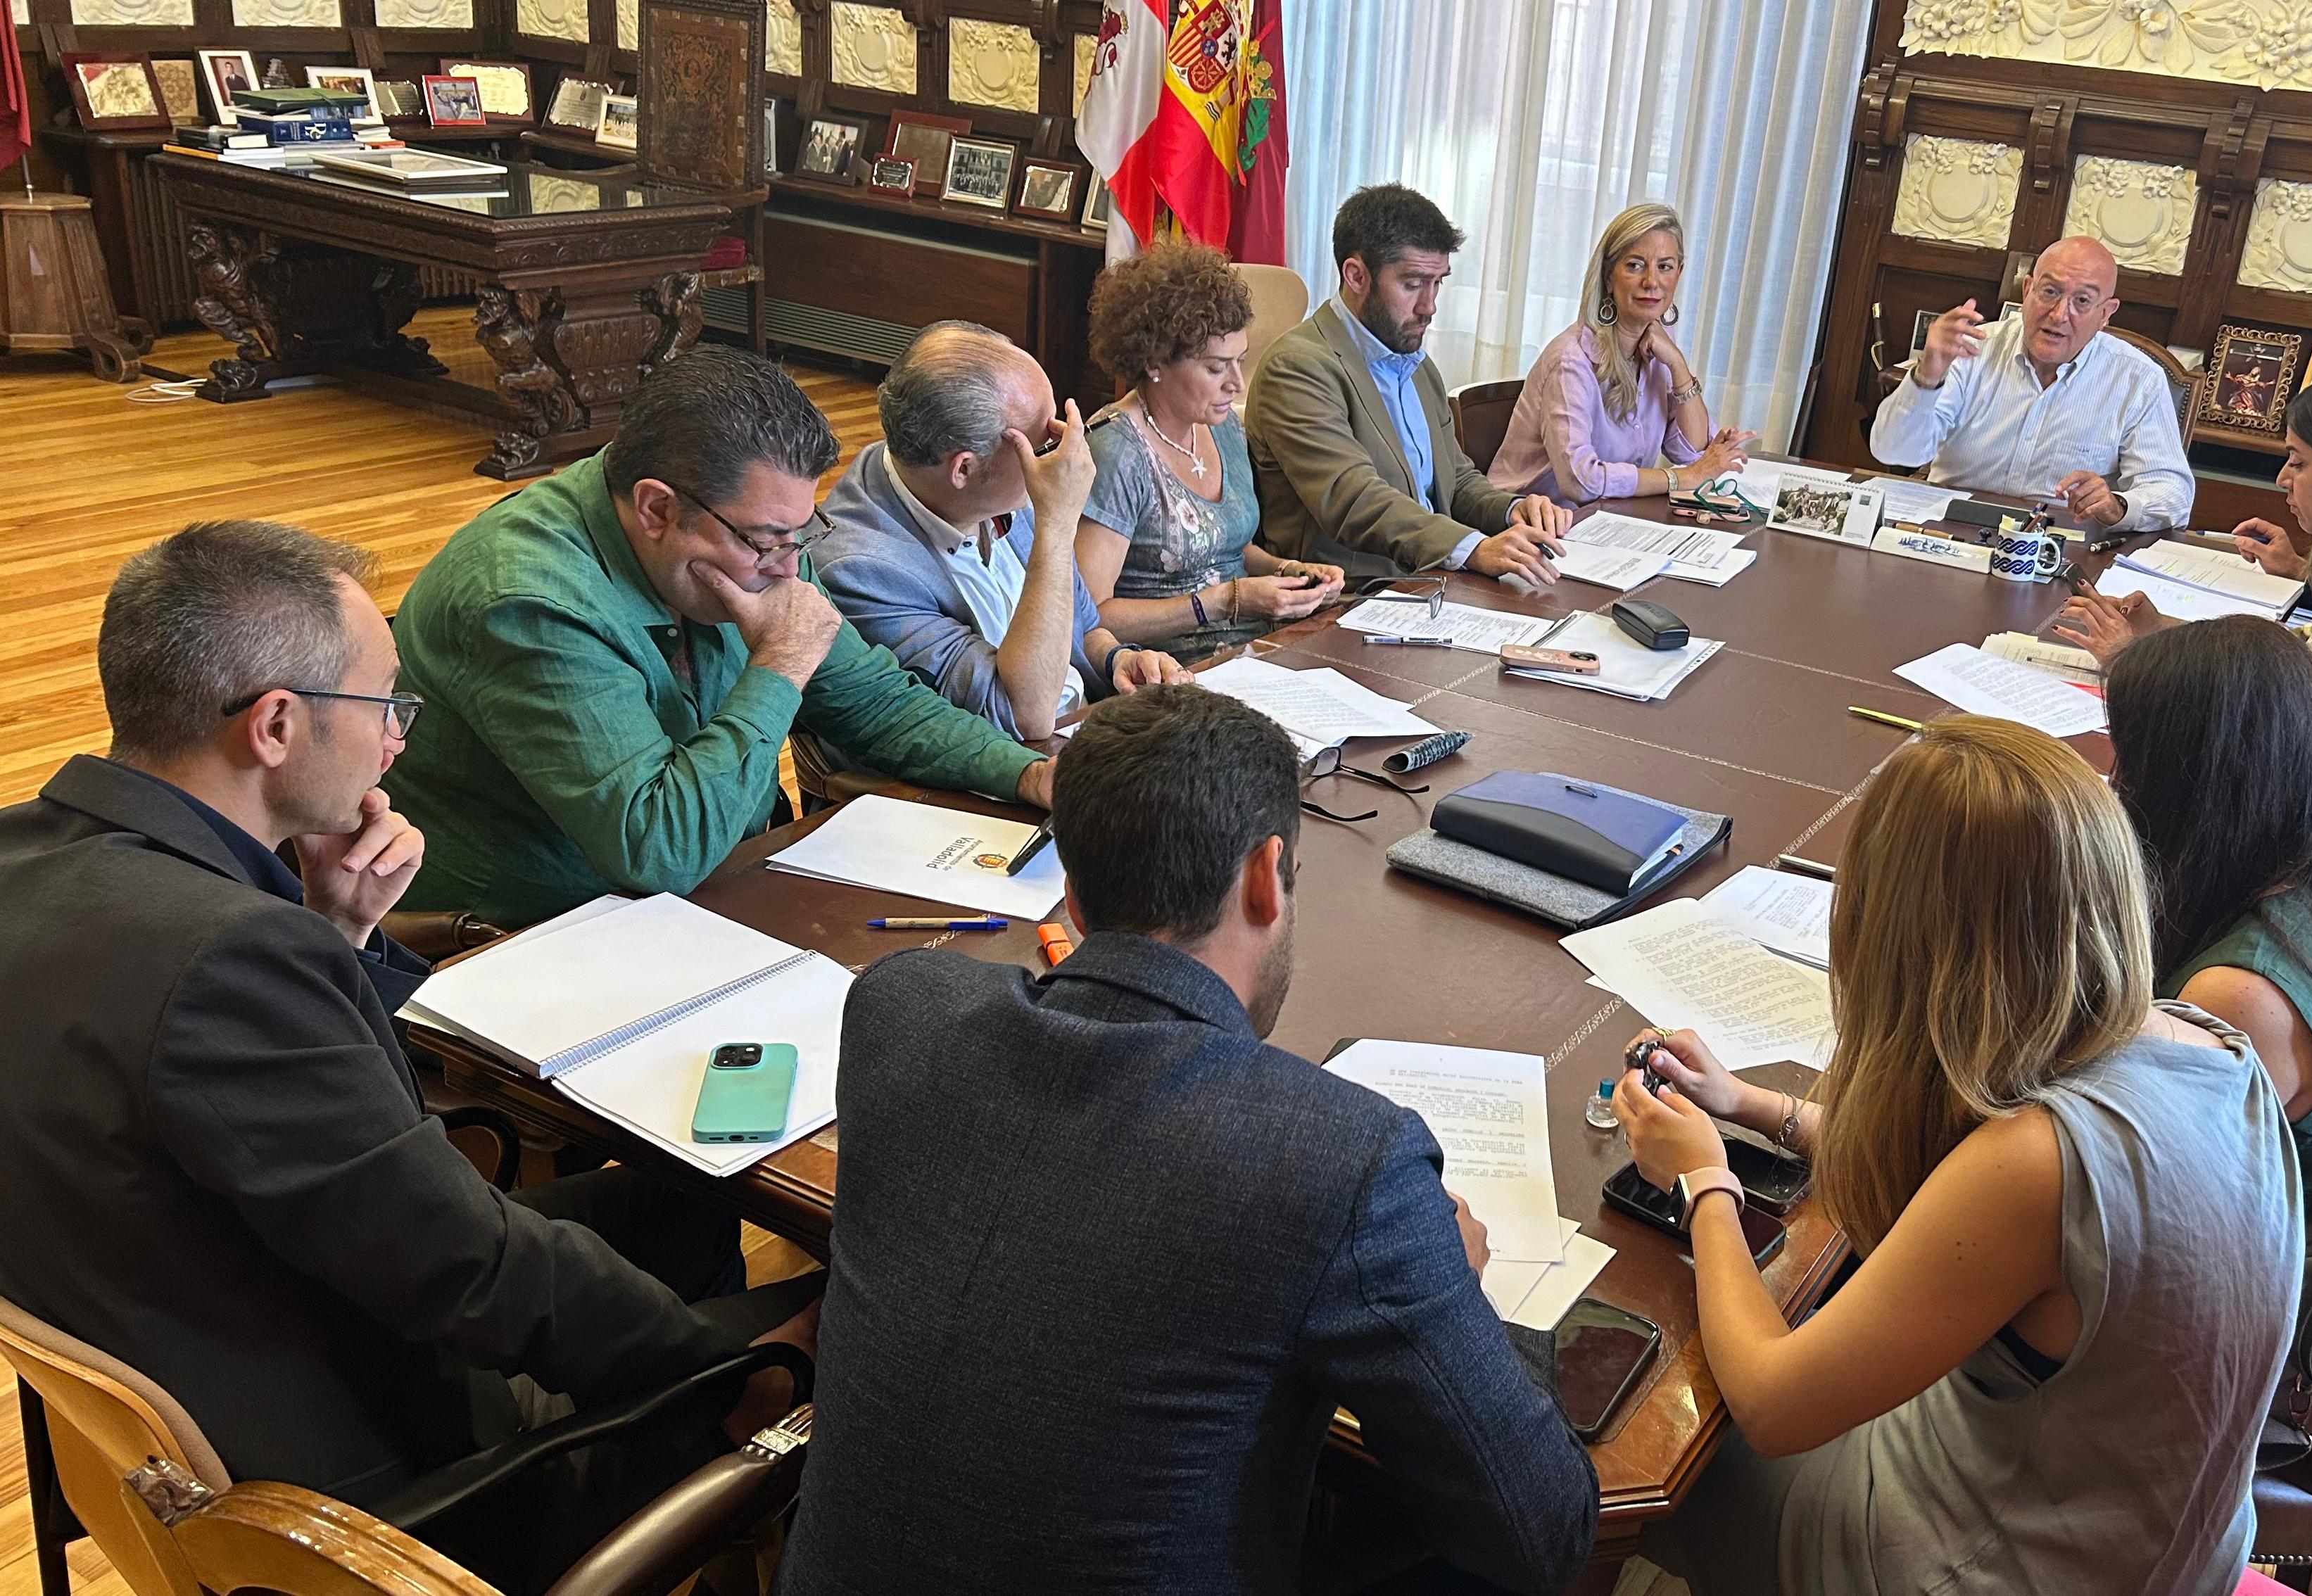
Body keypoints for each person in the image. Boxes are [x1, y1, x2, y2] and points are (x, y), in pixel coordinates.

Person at [0, 523, 816, 1593]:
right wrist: (736, 1378)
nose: (397, 740)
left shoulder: (31, 860)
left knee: (686, 1203)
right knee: (830, 1333)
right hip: (385, 1491)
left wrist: (332, 931)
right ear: (276, 725)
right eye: (385, 703)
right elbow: (470, 1271)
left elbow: (249, 1106)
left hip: (189, 1318)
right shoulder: (227, 955)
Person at [777, 685, 1598, 1595]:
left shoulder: (898, 1008)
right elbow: (1543, 1535)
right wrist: (1467, 1289)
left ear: (1071, 894)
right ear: (1266, 876)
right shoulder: (1343, 1162)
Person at [1616, 717, 2299, 1594]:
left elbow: (1773, 1403)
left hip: (1998, 1569)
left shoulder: (2037, 1164)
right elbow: (1965, 1190)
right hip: (2154, 1542)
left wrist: (1704, 1182)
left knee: (1647, 1457)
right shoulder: (2213, 1047)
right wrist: (1754, 1107)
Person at [385, 347, 1052, 927]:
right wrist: (781, 663)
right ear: (656, 508)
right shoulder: (526, 602)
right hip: (542, 937)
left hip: (720, 882)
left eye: (800, 533)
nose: (789, 567)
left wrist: (1027, 774)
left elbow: (872, 701)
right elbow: (659, 851)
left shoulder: (754, 533)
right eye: (766, 541)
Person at [2106, 618, 2312, 1220]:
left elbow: (2145, 1196)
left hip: (2242, 1250)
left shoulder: (2237, 996)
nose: (2117, 782)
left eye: (2130, 758)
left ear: (2193, 783)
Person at [2057, 365, 2312, 815]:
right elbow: (2299, 657)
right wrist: (2163, 634)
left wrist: (2132, 662)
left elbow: (2285, 717)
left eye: (2299, 462)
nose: (2282, 479)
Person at [811, 319, 1191, 740]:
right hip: (1008, 765)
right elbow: (1024, 715)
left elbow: (1083, 630)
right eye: (1044, 443)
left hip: (1082, 732)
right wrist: (1057, 524)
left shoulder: (988, 487)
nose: (1062, 454)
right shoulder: (858, 572)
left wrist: (1118, 661)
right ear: (965, 469)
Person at [1245, 182, 1578, 585]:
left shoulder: (1416, 363)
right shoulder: (1297, 367)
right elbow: (1353, 500)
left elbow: (1455, 481)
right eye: (1413, 283)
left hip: (1429, 582)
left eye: (1438, 282)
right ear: (1356, 276)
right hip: (1349, 596)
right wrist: (1473, 548)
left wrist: (1512, 511)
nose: (1429, 306)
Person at [1075, 241, 1346, 661]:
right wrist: (1223, 601)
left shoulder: (1223, 427)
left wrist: (1290, 573)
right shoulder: (1116, 451)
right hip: (1164, 671)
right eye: (1216, 367)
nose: (1237, 384)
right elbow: (1089, 616)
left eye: (1241, 361)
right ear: (1154, 362)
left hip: (1253, 651)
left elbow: (1231, 550)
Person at [1866, 236, 2194, 533]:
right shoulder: (1971, 350)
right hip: (1952, 531)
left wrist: (2117, 506)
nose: (2059, 314)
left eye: (2082, 301)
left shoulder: (2138, 379)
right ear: (2027, 291)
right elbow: (1895, 452)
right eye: (2050, 292)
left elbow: (2173, 495)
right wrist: (1927, 376)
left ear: (2106, 313)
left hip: (2058, 545)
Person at [1486, 201, 1755, 505]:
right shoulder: (1571, 361)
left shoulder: (1659, 348)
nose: (1651, 282)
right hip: (1531, 522)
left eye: (1665, 267)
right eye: (1635, 266)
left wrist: (1678, 365)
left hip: (1608, 518)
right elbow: (1581, 481)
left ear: (1679, 274)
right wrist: (1682, 478)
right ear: (1608, 276)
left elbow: (1693, 453)